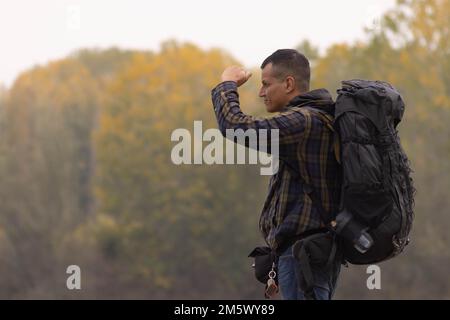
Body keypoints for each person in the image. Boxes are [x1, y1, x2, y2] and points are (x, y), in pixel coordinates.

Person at [211, 49, 342, 300]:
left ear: (289, 83)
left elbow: (236, 126)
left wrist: (226, 85)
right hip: (310, 255)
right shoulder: (319, 120)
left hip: (301, 256)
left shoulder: (304, 122)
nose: (261, 92)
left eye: (266, 84)